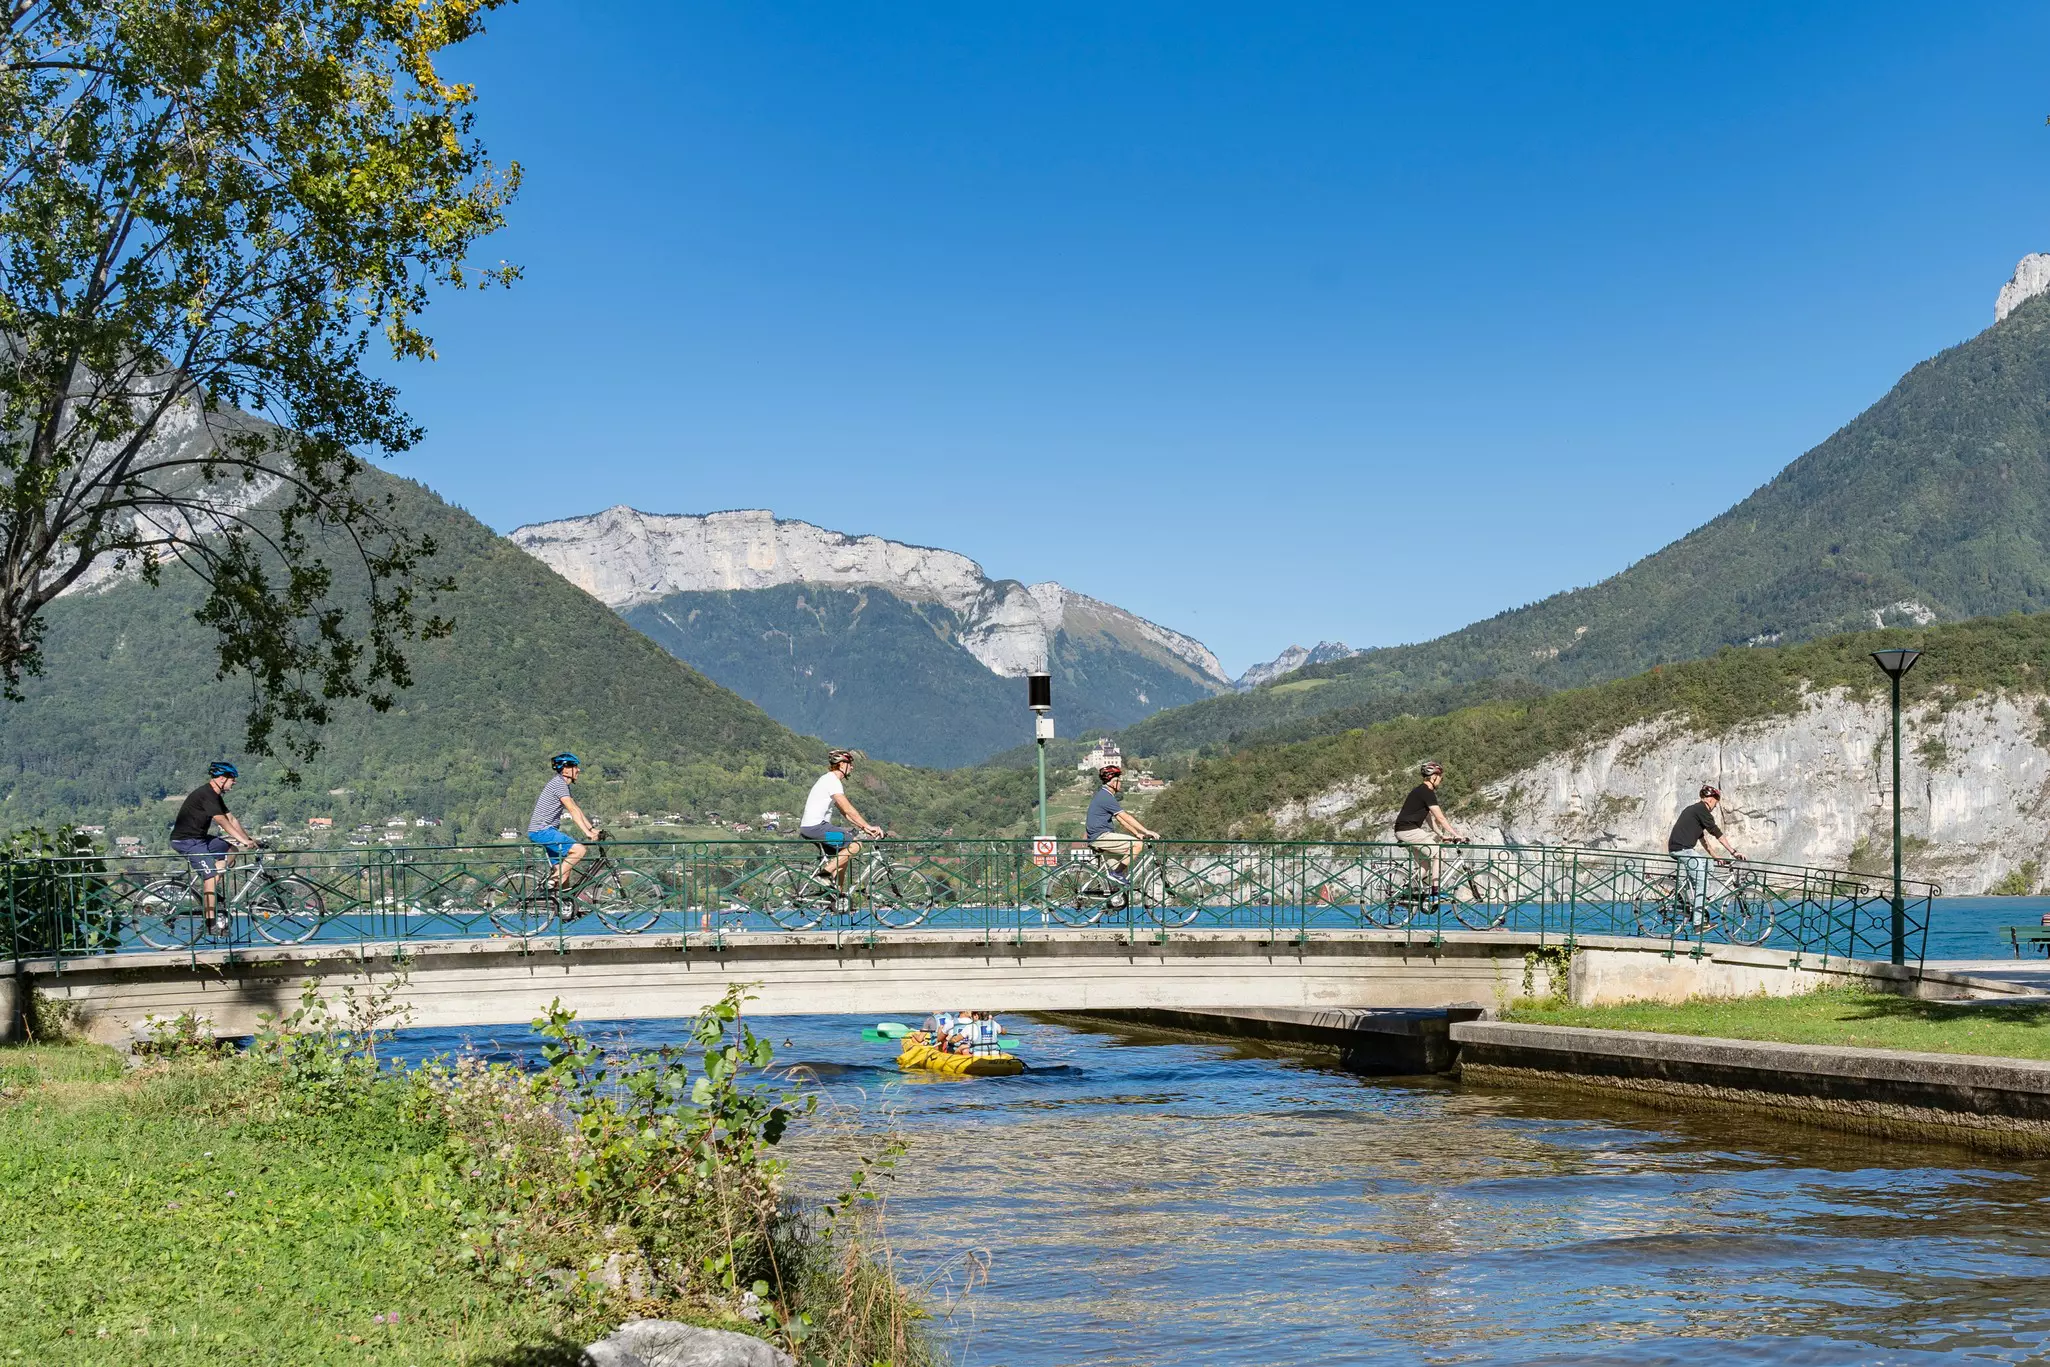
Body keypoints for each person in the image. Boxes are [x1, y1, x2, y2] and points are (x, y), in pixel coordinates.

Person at [168, 761, 255, 933]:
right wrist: (243, 841)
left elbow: (231, 819)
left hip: (200, 838)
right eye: (232, 779)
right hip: (186, 841)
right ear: (222, 779)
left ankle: (212, 889)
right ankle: (210, 923)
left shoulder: (216, 796)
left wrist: (250, 839)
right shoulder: (206, 794)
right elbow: (221, 821)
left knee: (231, 850)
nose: (234, 782)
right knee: (209, 878)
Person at [800, 750, 883, 890]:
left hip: (812, 828)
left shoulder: (828, 780)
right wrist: (868, 826)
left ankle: (838, 898)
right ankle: (824, 874)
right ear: (842, 764)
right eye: (850, 763)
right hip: (816, 827)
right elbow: (849, 809)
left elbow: (846, 814)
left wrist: (864, 828)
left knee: (843, 853)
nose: (852, 767)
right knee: (855, 845)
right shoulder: (832, 781)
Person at [528, 752, 603, 892]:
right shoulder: (559, 784)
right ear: (566, 769)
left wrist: (592, 829)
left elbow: (576, 808)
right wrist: (587, 833)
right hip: (542, 831)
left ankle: (565, 906)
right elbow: (572, 811)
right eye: (576, 766)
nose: (578, 770)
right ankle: (551, 881)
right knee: (579, 850)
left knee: (564, 871)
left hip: (543, 831)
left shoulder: (562, 785)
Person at [1667, 784, 1744, 917]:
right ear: (1710, 799)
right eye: (1716, 801)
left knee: (1707, 864)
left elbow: (1704, 841)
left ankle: (1687, 894)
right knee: (1701, 882)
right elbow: (1717, 833)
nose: (1715, 805)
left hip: (1682, 849)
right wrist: (1733, 852)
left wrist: (1716, 857)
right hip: (1683, 850)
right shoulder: (1702, 810)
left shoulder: (1695, 811)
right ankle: (1698, 922)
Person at [1393, 761, 1466, 892]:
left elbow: (1429, 819)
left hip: (1403, 831)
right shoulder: (1427, 792)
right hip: (1409, 831)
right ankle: (1435, 890)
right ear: (1434, 777)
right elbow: (1440, 818)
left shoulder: (1420, 791)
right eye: (1440, 778)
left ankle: (1406, 891)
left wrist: (1441, 835)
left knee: (1425, 865)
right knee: (1439, 853)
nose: (1440, 781)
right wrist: (1456, 835)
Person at [1086, 765, 1158, 882]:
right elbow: (1125, 817)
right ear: (1113, 782)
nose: (1121, 784)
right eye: (1119, 781)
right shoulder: (1106, 797)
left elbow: (1121, 819)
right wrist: (1146, 831)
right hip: (1101, 837)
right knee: (1137, 845)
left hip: (1099, 836)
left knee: (1121, 874)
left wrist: (1136, 833)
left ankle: (1117, 894)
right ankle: (1116, 873)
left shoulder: (1104, 795)